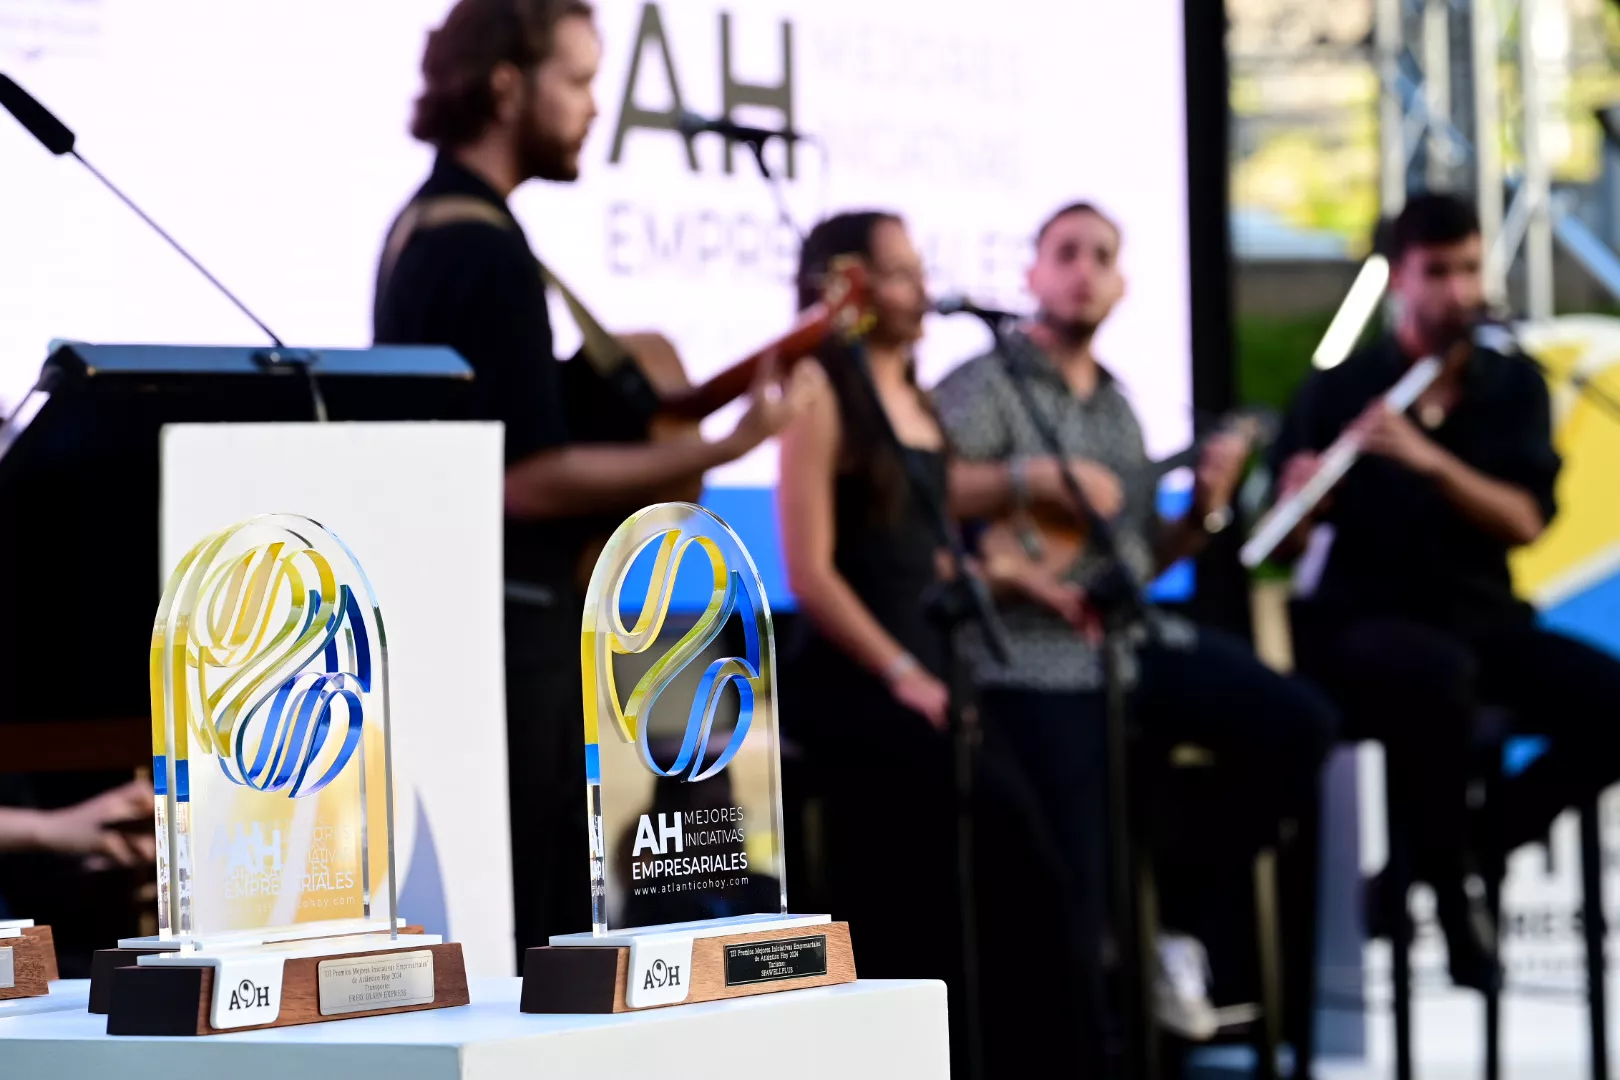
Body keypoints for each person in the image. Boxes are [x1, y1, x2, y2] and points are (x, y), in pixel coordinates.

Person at [374, 0, 815, 961]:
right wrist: (729, 447)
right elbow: (526, 482)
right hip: (513, 630)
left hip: (500, 623)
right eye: (576, 81)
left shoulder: (444, 227)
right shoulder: (476, 247)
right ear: (505, 85)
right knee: (540, 918)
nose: (590, 107)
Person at [932, 200, 1340, 1060]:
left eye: (1102, 256)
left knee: (1298, 724)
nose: (1085, 270)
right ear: (1031, 273)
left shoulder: (1117, 406)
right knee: (1070, 898)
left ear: (1121, 284)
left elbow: (1135, 562)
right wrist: (1032, 474)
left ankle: (1179, 912)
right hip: (1029, 656)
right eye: (1067, 252)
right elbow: (925, 492)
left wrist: (1203, 511)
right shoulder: (985, 383)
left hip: (1127, 640)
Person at [1268, 191, 1620, 990]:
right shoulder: (1338, 389)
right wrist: (1305, 497)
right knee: (1433, 679)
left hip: (1480, 615)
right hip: (1365, 619)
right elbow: (1280, 546)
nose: (1457, 289)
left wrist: (1428, 460)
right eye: (1438, 271)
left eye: (1468, 268)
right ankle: (1457, 909)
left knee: (1607, 700)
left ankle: (1454, 857)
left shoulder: (1512, 386)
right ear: (1399, 278)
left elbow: (1525, 519)